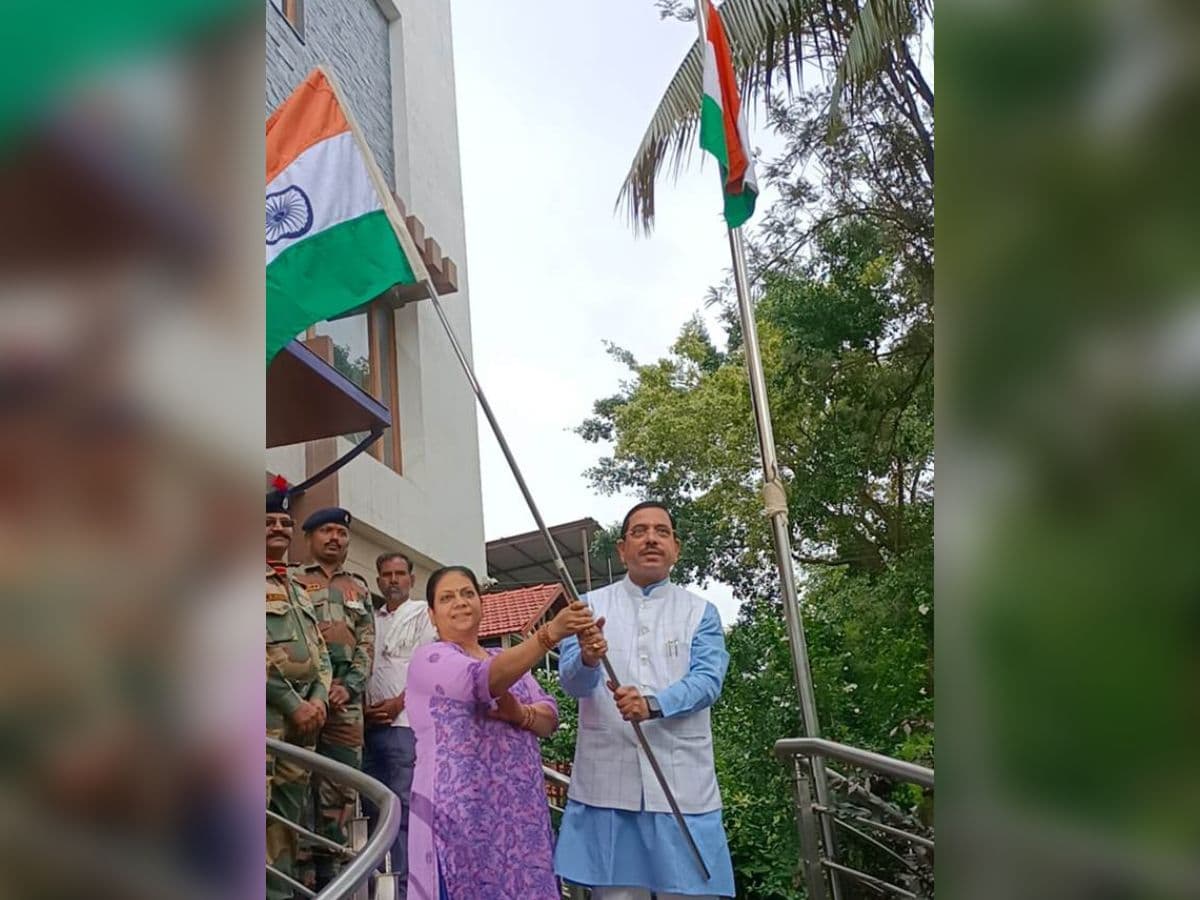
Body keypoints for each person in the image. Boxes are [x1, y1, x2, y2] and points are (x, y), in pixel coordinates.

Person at [555, 501, 736, 899]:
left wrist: (653, 704)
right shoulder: (586, 609)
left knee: (690, 893)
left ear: (676, 547)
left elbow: (708, 680)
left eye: (661, 531)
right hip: (607, 786)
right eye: (639, 531)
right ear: (622, 549)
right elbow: (572, 683)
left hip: (681, 782)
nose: (651, 538)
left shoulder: (700, 612)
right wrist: (587, 657)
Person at [406, 565, 599, 900]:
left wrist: (519, 714)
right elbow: (480, 681)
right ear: (432, 614)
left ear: (482, 603)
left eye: (468, 594)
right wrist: (548, 635)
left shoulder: (505, 657)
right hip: (462, 818)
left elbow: (549, 716)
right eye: (447, 598)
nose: (461, 603)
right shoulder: (430, 658)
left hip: (521, 817)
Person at [296, 506, 376, 887]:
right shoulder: (293, 581)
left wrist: (351, 684)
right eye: (325, 531)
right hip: (301, 701)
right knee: (294, 779)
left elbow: (367, 642)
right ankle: (296, 871)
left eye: (341, 533)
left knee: (340, 786)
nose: (334, 538)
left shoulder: (359, 587)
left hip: (346, 706)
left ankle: (331, 873)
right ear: (309, 537)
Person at [266, 483, 332, 900]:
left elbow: (321, 653)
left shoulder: (295, 586)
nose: (279, 528)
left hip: (301, 727)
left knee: (286, 825)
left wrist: (319, 700)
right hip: (262, 723)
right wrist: (292, 703)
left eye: (285, 523)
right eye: (269, 522)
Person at [363, 550, 437, 894]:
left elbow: (427, 668)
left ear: (411, 579)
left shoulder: (423, 613)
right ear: (379, 580)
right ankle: (380, 884)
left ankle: (407, 888)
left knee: (404, 807)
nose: (393, 580)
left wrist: (397, 703)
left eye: (399, 574)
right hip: (368, 728)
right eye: (387, 574)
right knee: (372, 807)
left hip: (404, 725)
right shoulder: (371, 618)